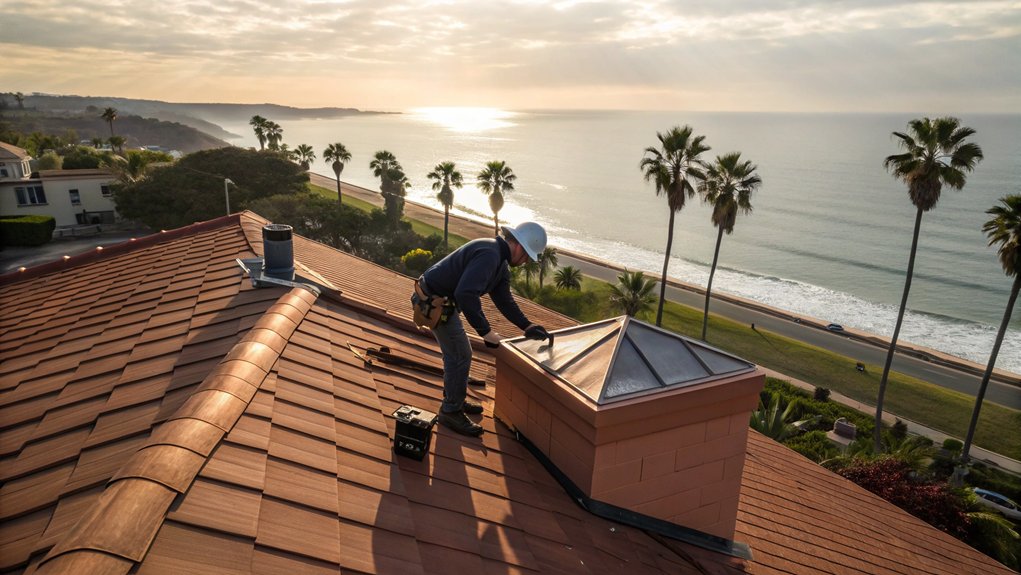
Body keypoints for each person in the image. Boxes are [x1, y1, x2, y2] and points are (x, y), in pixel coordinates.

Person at [412, 222, 552, 437]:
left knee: (456, 353)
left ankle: (454, 397)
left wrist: (527, 325)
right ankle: (451, 410)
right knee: (460, 354)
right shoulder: (490, 254)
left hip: (442, 301)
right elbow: (466, 294)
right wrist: (485, 331)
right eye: (526, 257)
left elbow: (504, 300)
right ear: (519, 247)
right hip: (432, 302)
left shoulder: (499, 262)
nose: (524, 263)